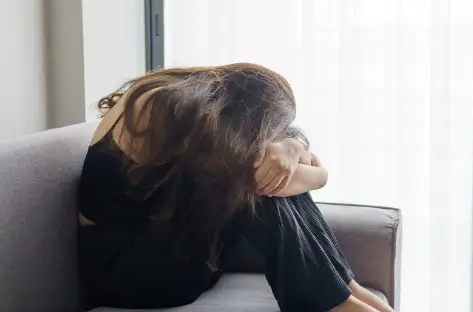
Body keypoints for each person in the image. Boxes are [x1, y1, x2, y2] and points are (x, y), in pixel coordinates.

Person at [77, 63, 394, 312]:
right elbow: (265, 180)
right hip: (126, 273)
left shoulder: (198, 103)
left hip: (171, 249)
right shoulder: (161, 107)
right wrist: (313, 171)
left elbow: (292, 169)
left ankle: (344, 288)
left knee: (263, 180)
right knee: (253, 188)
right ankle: (334, 302)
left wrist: (293, 146)